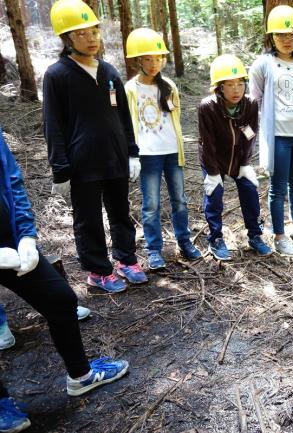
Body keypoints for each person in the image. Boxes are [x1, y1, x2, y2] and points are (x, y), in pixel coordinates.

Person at [0, 126, 128, 433]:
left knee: (60, 299)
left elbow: (11, 182)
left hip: (11, 242)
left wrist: (27, 237)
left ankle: (80, 376)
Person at [43, 0, 147, 293]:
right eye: (82, 34)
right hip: (82, 163)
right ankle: (98, 271)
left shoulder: (110, 72)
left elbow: (124, 117)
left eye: (94, 32)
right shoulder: (57, 75)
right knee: (88, 219)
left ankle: (127, 259)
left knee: (120, 212)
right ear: (66, 39)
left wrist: (132, 152)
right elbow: (53, 123)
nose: (91, 39)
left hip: (114, 158)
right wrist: (60, 169)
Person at [124, 28, 202, 270]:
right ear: (138, 60)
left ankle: (184, 241)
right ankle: (154, 250)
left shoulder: (168, 86)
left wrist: (179, 148)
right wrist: (131, 154)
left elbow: (174, 120)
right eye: (147, 58)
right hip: (148, 155)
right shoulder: (130, 89)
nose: (153, 63)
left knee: (179, 200)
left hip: (171, 152)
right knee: (151, 204)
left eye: (158, 58)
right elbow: (127, 124)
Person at [197, 54, 272, 261]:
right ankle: (216, 238)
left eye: (240, 83)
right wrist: (212, 173)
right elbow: (207, 142)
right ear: (220, 87)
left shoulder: (249, 104)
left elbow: (250, 134)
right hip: (215, 160)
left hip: (239, 158)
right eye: (230, 85)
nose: (236, 89)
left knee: (249, 190)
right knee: (215, 195)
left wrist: (246, 164)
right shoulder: (208, 106)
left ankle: (255, 236)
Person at [249, 5, 293, 257]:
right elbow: (256, 100)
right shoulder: (263, 64)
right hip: (279, 135)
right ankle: (280, 236)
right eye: (280, 34)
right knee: (278, 186)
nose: (286, 39)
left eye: (290, 33)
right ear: (271, 36)